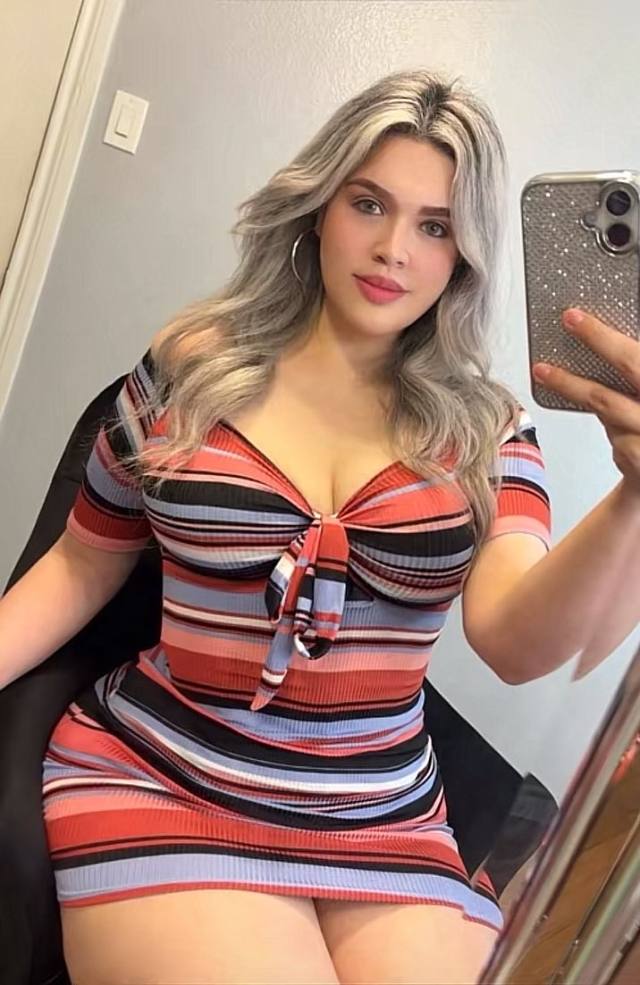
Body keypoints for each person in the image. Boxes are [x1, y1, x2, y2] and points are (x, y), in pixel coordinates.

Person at [4, 67, 640, 985]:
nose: (393, 250)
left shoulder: (488, 429)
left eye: (434, 226)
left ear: (465, 256)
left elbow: (515, 640)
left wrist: (632, 492)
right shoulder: (194, 364)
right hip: (169, 776)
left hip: (384, 820)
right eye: (368, 204)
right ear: (319, 208)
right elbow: (81, 563)